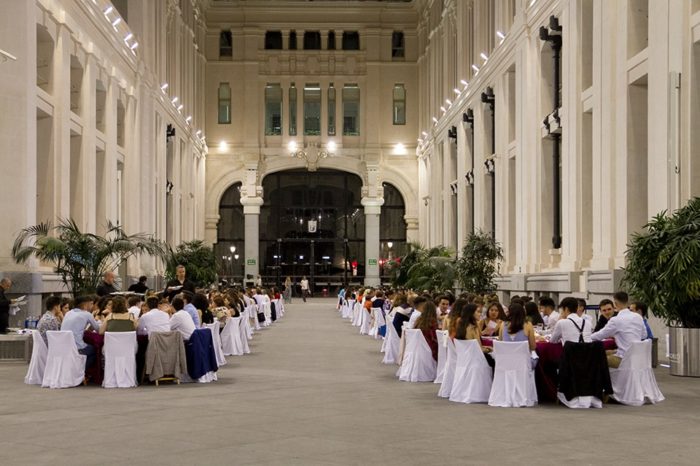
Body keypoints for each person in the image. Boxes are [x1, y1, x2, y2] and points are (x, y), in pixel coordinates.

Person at [591, 291, 646, 368]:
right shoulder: (638, 317)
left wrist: (586, 337)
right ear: (627, 302)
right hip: (637, 356)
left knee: (594, 357)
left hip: (623, 358)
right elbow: (644, 335)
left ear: (615, 304)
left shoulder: (616, 320)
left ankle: (603, 380)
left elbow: (599, 335)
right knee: (604, 353)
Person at [61, 295, 100, 370]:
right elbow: (98, 330)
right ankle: (80, 372)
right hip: (78, 348)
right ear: (85, 305)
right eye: (91, 304)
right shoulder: (87, 314)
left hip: (64, 347)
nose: (93, 306)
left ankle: (76, 371)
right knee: (94, 350)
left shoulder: (68, 313)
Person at [454, 303, 494, 367]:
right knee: (495, 360)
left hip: (464, 359)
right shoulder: (473, 328)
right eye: (478, 312)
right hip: (476, 359)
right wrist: (489, 349)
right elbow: (478, 349)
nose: (480, 314)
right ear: (471, 313)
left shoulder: (461, 326)